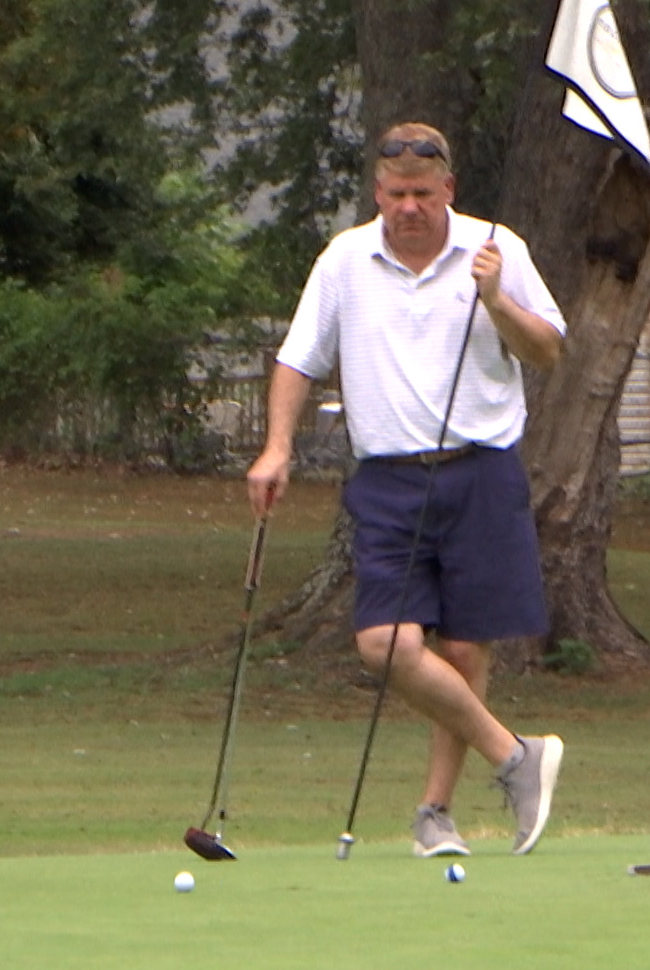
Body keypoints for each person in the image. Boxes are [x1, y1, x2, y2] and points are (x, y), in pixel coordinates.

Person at [246, 122, 568, 857]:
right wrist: (277, 447)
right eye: (395, 194)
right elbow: (298, 359)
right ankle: (516, 757)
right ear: (377, 191)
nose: (409, 208)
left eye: (423, 194)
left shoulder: (497, 249)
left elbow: (548, 351)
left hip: (481, 466)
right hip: (388, 477)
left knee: (464, 649)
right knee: (385, 643)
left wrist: (495, 299)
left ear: (448, 190)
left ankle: (435, 815)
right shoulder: (345, 260)